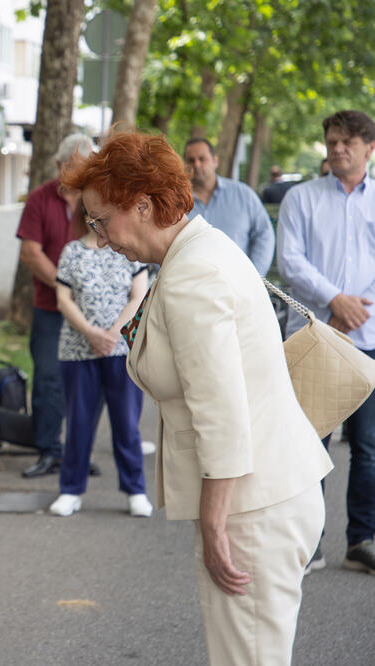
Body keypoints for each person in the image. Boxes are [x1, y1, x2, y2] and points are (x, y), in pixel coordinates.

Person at [61, 131, 332, 665]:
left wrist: (214, 523)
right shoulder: (197, 250)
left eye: (100, 220)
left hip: (253, 508)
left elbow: (221, 410)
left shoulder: (193, 272)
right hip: (264, 496)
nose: (100, 237)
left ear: (142, 204)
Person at [277, 109, 375, 575]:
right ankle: (307, 542)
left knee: (369, 447)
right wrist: (335, 299)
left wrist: (356, 308)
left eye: (347, 142)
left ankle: (362, 540)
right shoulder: (301, 198)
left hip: (369, 338)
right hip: (316, 334)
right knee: (309, 443)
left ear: (369, 148)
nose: (338, 149)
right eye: (332, 141)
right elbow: (290, 261)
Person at [47, 201, 152, 518]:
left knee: (126, 424)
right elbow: (64, 299)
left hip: (120, 351)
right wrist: (92, 333)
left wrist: (112, 334)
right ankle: (71, 490)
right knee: (78, 423)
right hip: (78, 351)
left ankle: (135, 490)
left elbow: (138, 296)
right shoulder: (72, 252)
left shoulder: (128, 250)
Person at [16, 133, 98, 478]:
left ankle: (78, 453)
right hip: (50, 308)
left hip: (90, 311)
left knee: (85, 383)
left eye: (86, 168)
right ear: (58, 165)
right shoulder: (39, 199)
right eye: (73, 167)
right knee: (48, 379)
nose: (79, 174)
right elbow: (30, 253)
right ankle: (49, 450)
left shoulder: (97, 200)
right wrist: (65, 286)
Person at [184, 138, 275, 274]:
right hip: (190, 283)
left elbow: (264, 234)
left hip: (240, 282)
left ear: (215, 161)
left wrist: (255, 276)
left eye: (202, 159)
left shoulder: (244, 195)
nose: (197, 164)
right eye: (191, 160)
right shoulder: (175, 203)